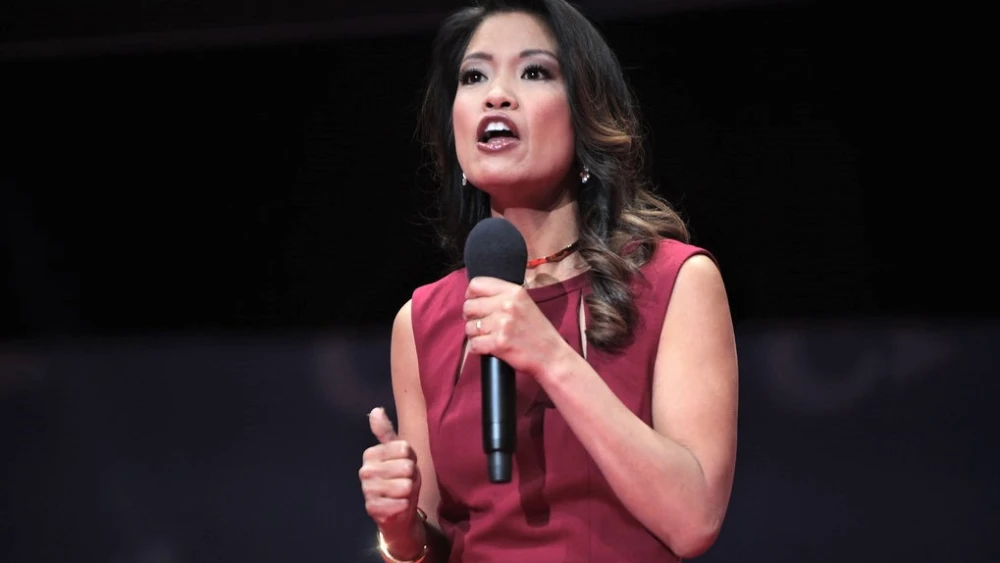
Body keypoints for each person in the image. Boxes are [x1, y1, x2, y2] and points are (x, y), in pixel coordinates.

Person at [358, 0, 738, 561]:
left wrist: (551, 357)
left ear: (585, 114)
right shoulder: (420, 321)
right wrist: (401, 531)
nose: (497, 95)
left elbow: (693, 521)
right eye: (474, 76)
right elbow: (439, 544)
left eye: (534, 71)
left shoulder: (675, 281)